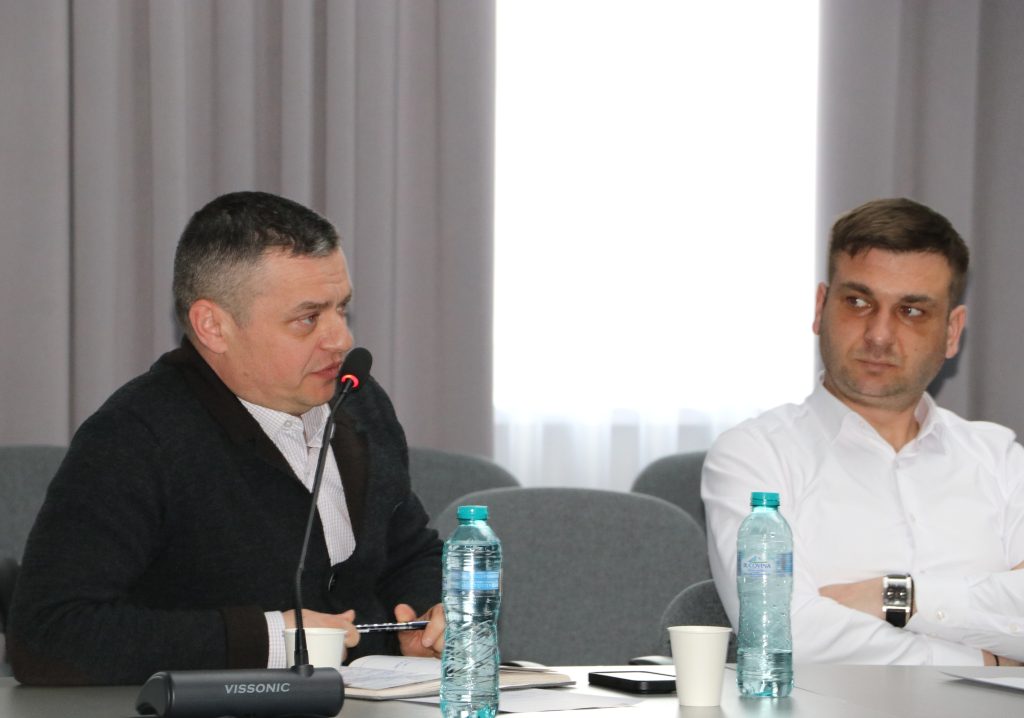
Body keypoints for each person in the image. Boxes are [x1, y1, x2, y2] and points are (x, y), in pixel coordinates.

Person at [7, 191, 444, 685]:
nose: (341, 339)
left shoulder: (358, 401)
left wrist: (427, 614)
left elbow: (408, 551)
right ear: (213, 326)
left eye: (341, 309)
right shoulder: (134, 437)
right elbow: (49, 634)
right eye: (308, 318)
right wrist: (270, 639)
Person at [702, 197, 1024, 665]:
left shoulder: (1000, 459)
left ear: (952, 332)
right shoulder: (755, 455)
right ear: (820, 308)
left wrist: (895, 597)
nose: (879, 334)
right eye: (858, 302)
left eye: (912, 311)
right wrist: (986, 661)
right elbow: (784, 632)